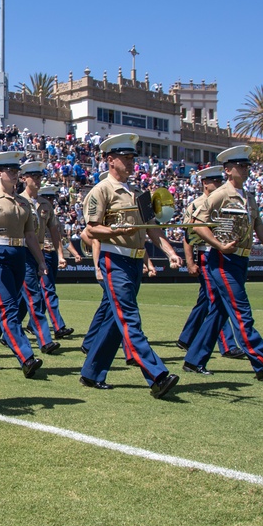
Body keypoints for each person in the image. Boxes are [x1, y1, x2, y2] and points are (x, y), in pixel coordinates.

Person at [78, 134, 183, 397]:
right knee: (129, 319)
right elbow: (91, 229)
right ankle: (156, 375)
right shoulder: (100, 190)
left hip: (135, 261)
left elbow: (153, 229)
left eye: (132, 157)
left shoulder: (139, 194)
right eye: (125, 158)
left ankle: (91, 373)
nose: (130, 162)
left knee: (117, 321)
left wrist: (170, 252)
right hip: (115, 259)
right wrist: (114, 231)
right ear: (110, 160)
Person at [183, 145, 263, 382]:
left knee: (219, 312)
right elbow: (196, 224)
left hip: (240, 259)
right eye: (241, 166)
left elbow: (260, 229)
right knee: (241, 311)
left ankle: (194, 359)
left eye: (247, 165)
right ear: (228, 170)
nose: (246, 169)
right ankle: (261, 362)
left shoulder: (248, 196)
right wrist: (219, 245)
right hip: (223, 259)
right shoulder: (220, 195)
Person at [0, 151, 46, 377]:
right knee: (9, 308)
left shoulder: (23, 202)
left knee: (0, 308)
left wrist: (41, 262)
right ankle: (26, 356)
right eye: (10, 171)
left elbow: (30, 235)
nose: (15, 175)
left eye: (17, 171)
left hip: (19, 254)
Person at [176, 164, 245, 371]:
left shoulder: (225, 199)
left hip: (223, 253)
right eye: (213, 181)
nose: (217, 184)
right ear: (205, 183)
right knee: (217, 299)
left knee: (209, 300)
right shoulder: (196, 205)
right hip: (206, 253)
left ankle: (188, 339)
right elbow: (188, 236)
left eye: (219, 180)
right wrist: (190, 262)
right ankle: (226, 345)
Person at [14, 161, 61, 355]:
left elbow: (54, 229)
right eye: (34, 177)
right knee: (33, 296)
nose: (38, 180)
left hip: (40, 251)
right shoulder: (17, 201)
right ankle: (45, 339)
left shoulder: (45, 203)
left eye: (40, 177)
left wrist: (58, 252)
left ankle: (6, 331)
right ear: (24, 178)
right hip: (23, 252)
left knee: (24, 300)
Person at [36, 184, 74, 339]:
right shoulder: (36, 213)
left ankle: (32, 325)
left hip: (51, 254)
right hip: (41, 253)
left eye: (53, 198)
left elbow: (60, 238)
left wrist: (61, 255)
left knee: (41, 292)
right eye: (48, 197)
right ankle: (58, 326)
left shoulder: (53, 217)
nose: (51, 201)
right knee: (48, 290)